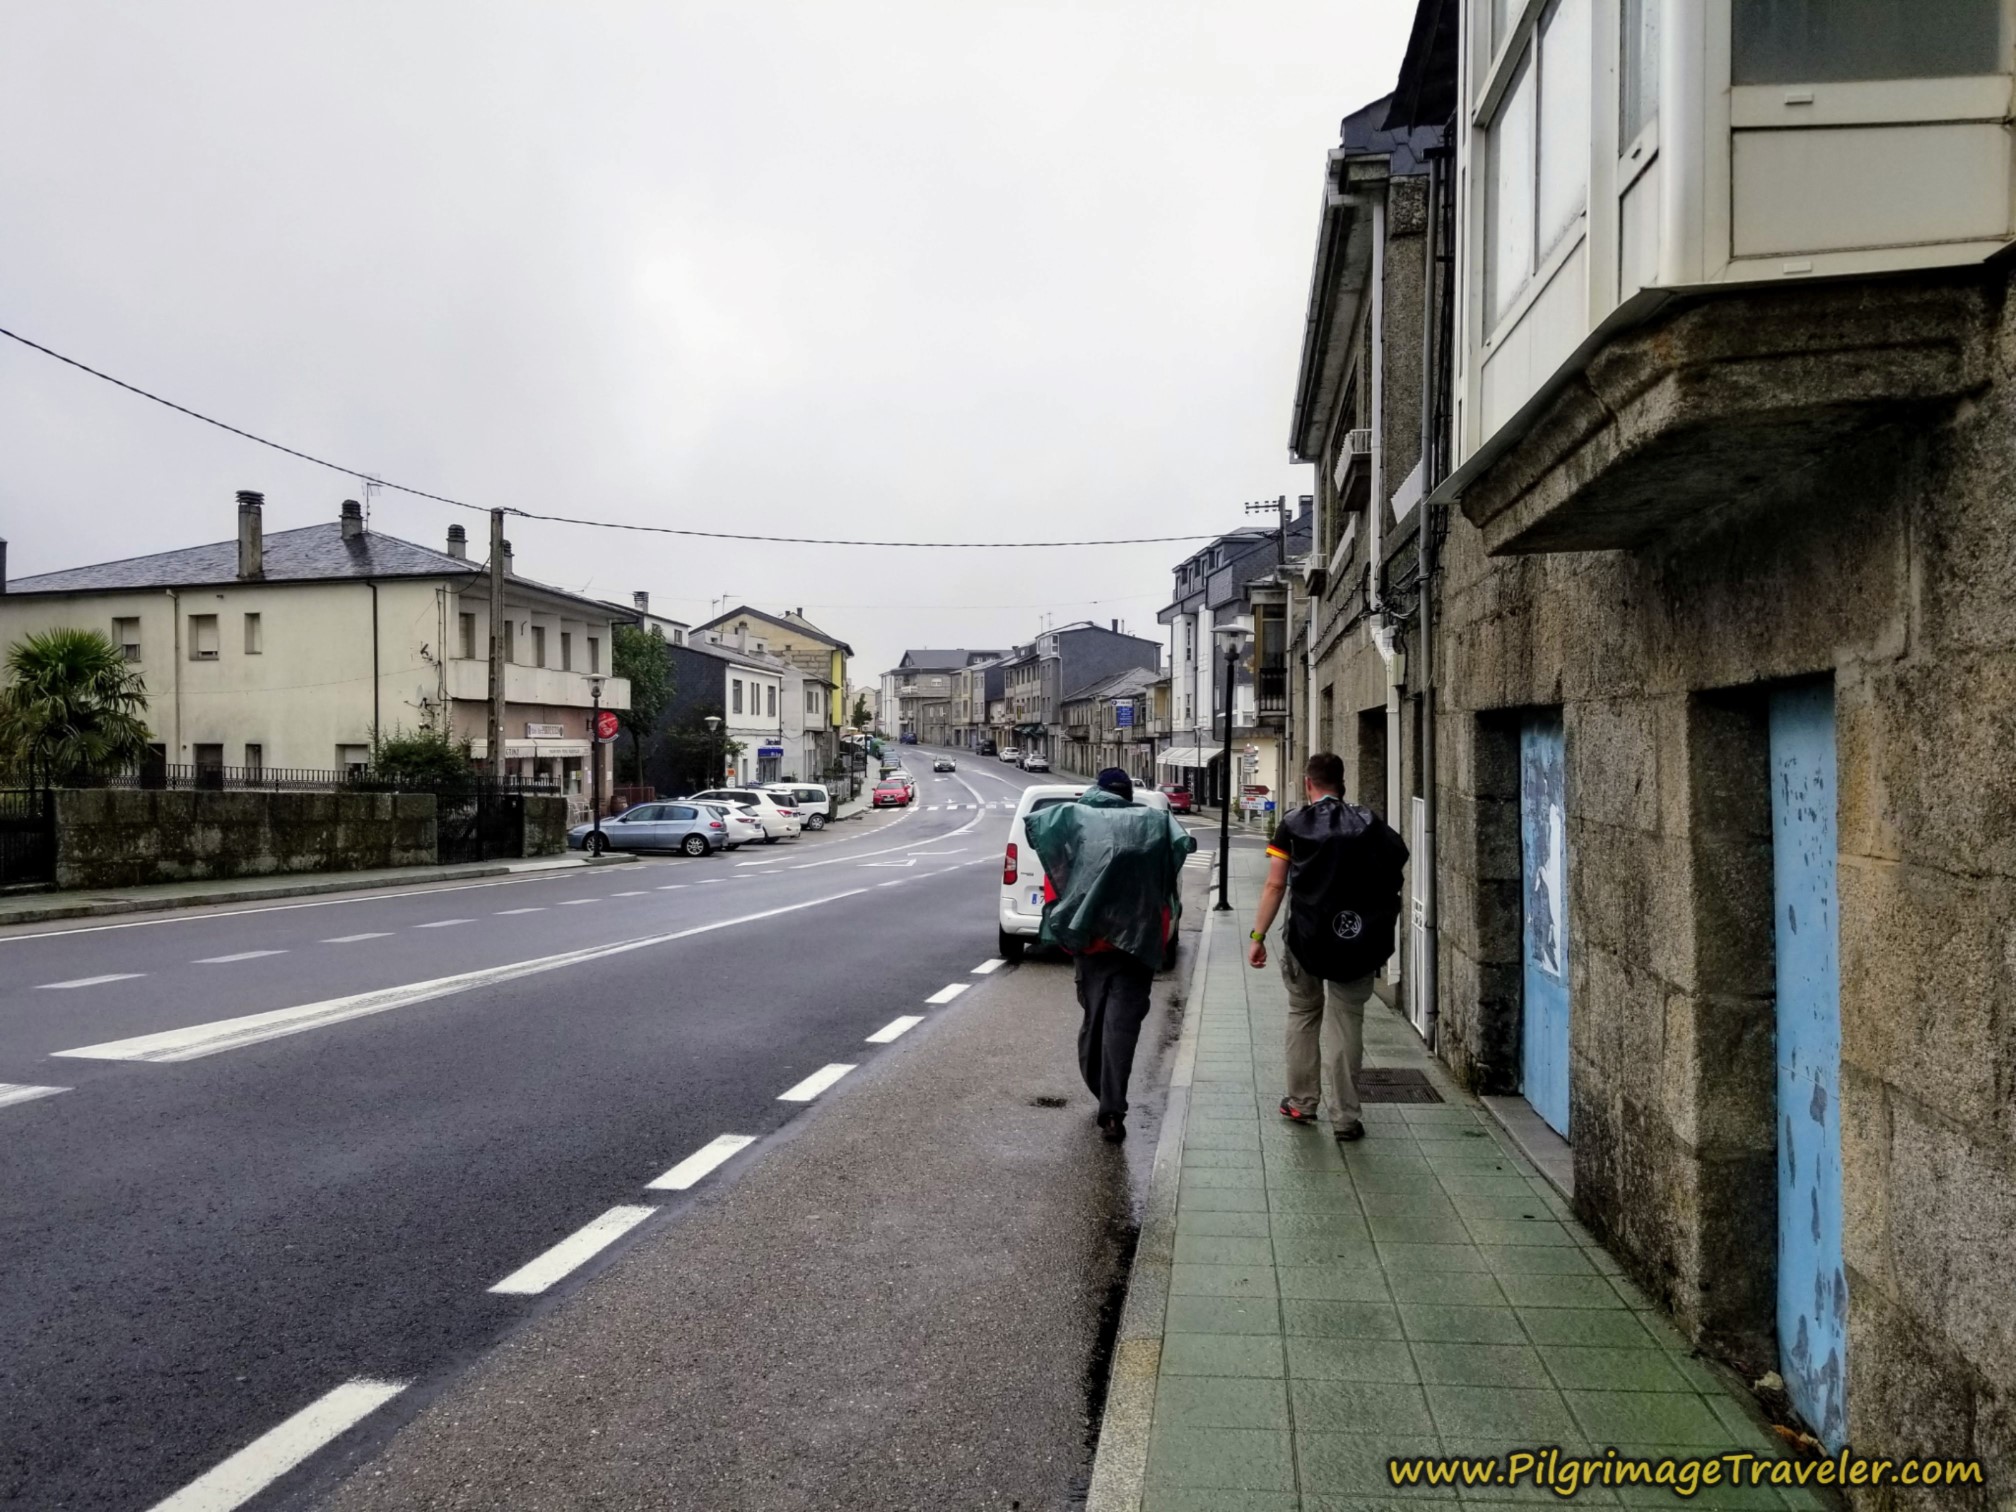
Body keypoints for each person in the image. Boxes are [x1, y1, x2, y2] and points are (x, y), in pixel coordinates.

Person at [1025, 767, 1196, 1143]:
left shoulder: (1080, 827)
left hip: (1092, 946)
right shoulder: (1152, 827)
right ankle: (1112, 1107)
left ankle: (1107, 1098)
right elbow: (1166, 884)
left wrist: (1064, 930)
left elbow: (1059, 884)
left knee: (1095, 1021)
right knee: (1123, 1028)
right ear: (1128, 795)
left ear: (1099, 791)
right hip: (1139, 945)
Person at [1247, 752, 1409, 1144]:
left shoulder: (1293, 824)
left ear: (1308, 783)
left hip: (1305, 939)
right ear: (1342, 782)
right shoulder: (1370, 823)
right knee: (1347, 1022)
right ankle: (1346, 1118)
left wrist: (1257, 936)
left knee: (1303, 1014)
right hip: (1356, 940)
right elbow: (1397, 861)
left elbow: (1274, 885)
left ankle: (1302, 1103)